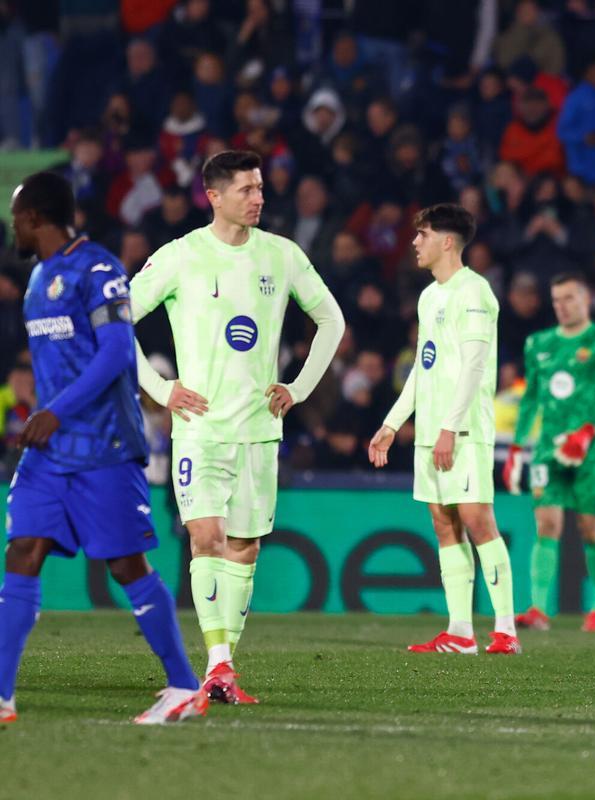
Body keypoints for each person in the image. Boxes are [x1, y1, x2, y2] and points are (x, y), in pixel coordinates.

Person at [129, 151, 346, 704]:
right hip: (199, 429)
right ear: (214, 196)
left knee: (244, 547)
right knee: (206, 537)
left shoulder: (282, 254)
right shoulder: (180, 256)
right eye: (247, 189)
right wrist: (161, 389)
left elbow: (331, 319)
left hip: (258, 430)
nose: (258, 198)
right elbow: (114, 321)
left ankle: (222, 667)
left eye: (260, 188)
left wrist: (298, 387)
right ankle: (218, 661)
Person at [2, 172, 205, 725]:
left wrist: (56, 411)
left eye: (16, 218)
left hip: (104, 444)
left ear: (35, 217)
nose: (13, 228)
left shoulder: (99, 270)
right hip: (51, 451)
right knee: (22, 551)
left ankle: (183, 685)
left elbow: (116, 353)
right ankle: (1, 695)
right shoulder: (39, 277)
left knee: (126, 564)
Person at [368, 204, 520, 656]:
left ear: (447, 241)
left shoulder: (474, 292)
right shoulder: (429, 296)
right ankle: (460, 631)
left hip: (463, 429)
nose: (415, 242)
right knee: (443, 522)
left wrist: (450, 428)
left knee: (477, 519)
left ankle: (506, 630)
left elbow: (474, 366)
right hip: (431, 431)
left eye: (423, 234)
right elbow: (424, 365)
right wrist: (392, 423)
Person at [503, 272, 595, 632]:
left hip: (591, 450)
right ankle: (538, 609)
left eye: (569, 298)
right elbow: (530, 398)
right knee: (546, 524)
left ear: (585, 300)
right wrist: (516, 447)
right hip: (548, 448)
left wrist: (584, 434)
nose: (562, 306)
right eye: (556, 300)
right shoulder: (539, 343)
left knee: (591, 528)